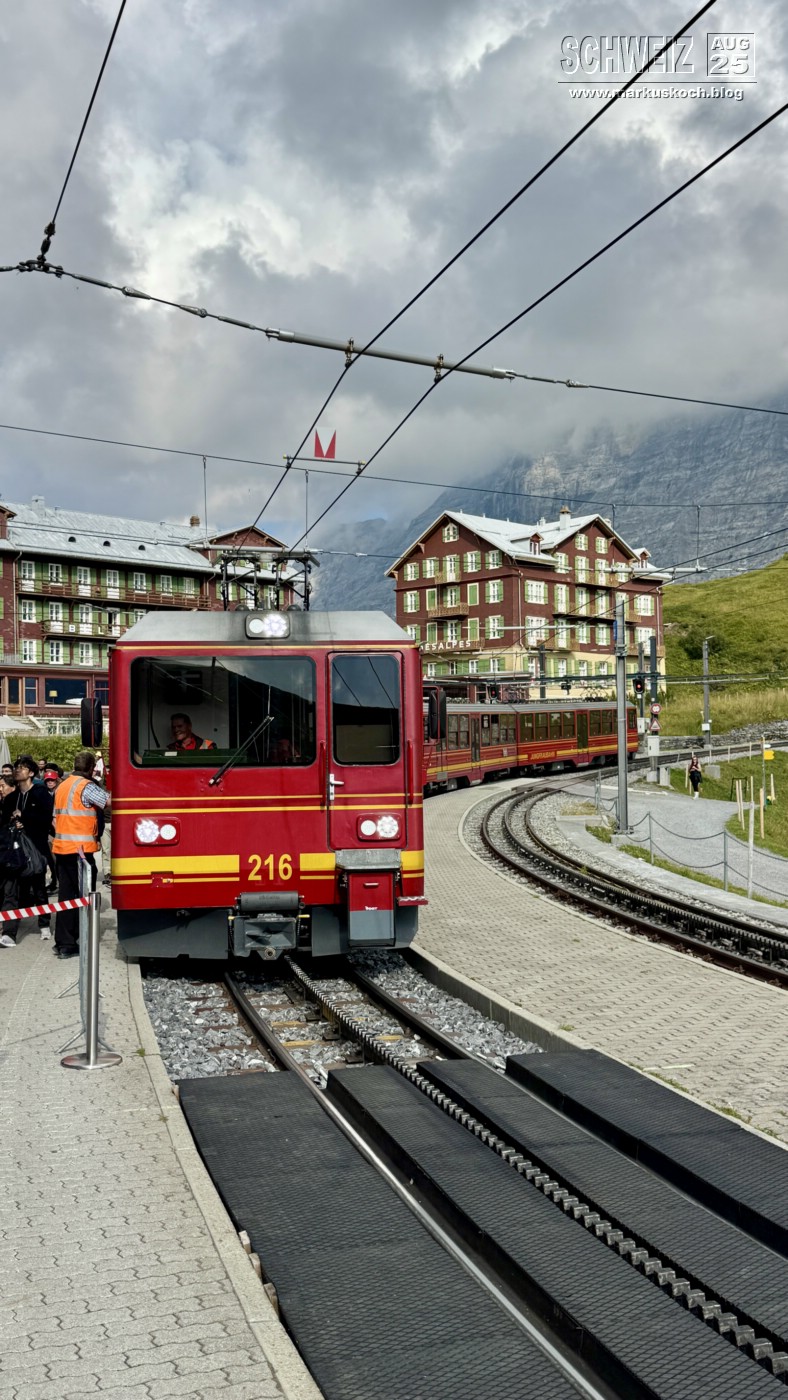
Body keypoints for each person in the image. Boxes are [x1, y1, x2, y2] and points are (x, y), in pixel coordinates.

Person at [52, 752, 110, 959]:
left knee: (66, 897)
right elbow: (109, 802)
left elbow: (55, 818)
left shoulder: (62, 786)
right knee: (82, 897)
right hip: (80, 852)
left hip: (63, 848)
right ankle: (72, 942)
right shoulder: (86, 786)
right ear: (91, 768)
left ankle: (62, 942)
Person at [11, 755, 53, 939]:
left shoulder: (40, 793)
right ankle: (13, 924)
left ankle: (44, 925)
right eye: (17, 767)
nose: (17, 770)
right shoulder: (13, 797)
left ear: (31, 773)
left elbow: (46, 818)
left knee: (39, 887)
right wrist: (13, 821)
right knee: (16, 888)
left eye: (22, 768)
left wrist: (24, 817)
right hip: (16, 849)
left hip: (37, 847)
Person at [0, 774, 23, 948]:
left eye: (2, 786)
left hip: (9, 856)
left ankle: (9, 933)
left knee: (10, 894)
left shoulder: (15, 802)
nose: (0, 789)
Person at [42, 768, 63, 891]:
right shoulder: (43, 794)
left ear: (57, 780)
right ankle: (55, 881)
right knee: (51, 860)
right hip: (49, 832)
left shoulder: (61, 792)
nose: (50, 782)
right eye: (48, 780)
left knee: (59, 860)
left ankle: (61, 882)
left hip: (61, 830)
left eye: (52, 780)